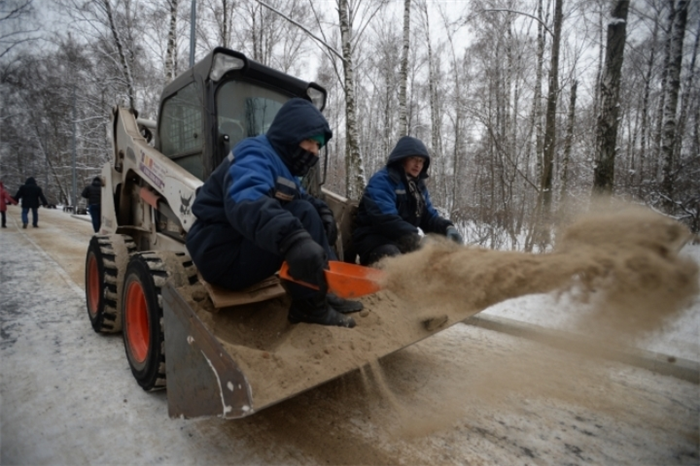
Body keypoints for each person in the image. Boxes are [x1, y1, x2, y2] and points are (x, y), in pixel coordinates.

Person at [186, 98, 362, 328]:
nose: (314, 152)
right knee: (303, 215)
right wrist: (292, 239)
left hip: (236, 245)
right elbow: (247, 199)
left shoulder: (282, 165)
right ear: (291, 134)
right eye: (310, 142)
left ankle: (323, 289)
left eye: (318, 146)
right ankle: (310, 307)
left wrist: (324, 213)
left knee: (309, 211)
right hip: (221, 255)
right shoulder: (255, 154)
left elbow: (300, 197)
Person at [352, 135, 463, 265]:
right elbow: (386, 219)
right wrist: (417, 239)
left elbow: (428, 217)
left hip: (403, 241)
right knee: (396, 261)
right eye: (413, 159)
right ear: (401, 158)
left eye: (421, 161)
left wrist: (447, 228)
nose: (417, 164)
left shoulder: (417, 187)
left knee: (437, 262)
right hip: (374, 241)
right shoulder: (383, 180)